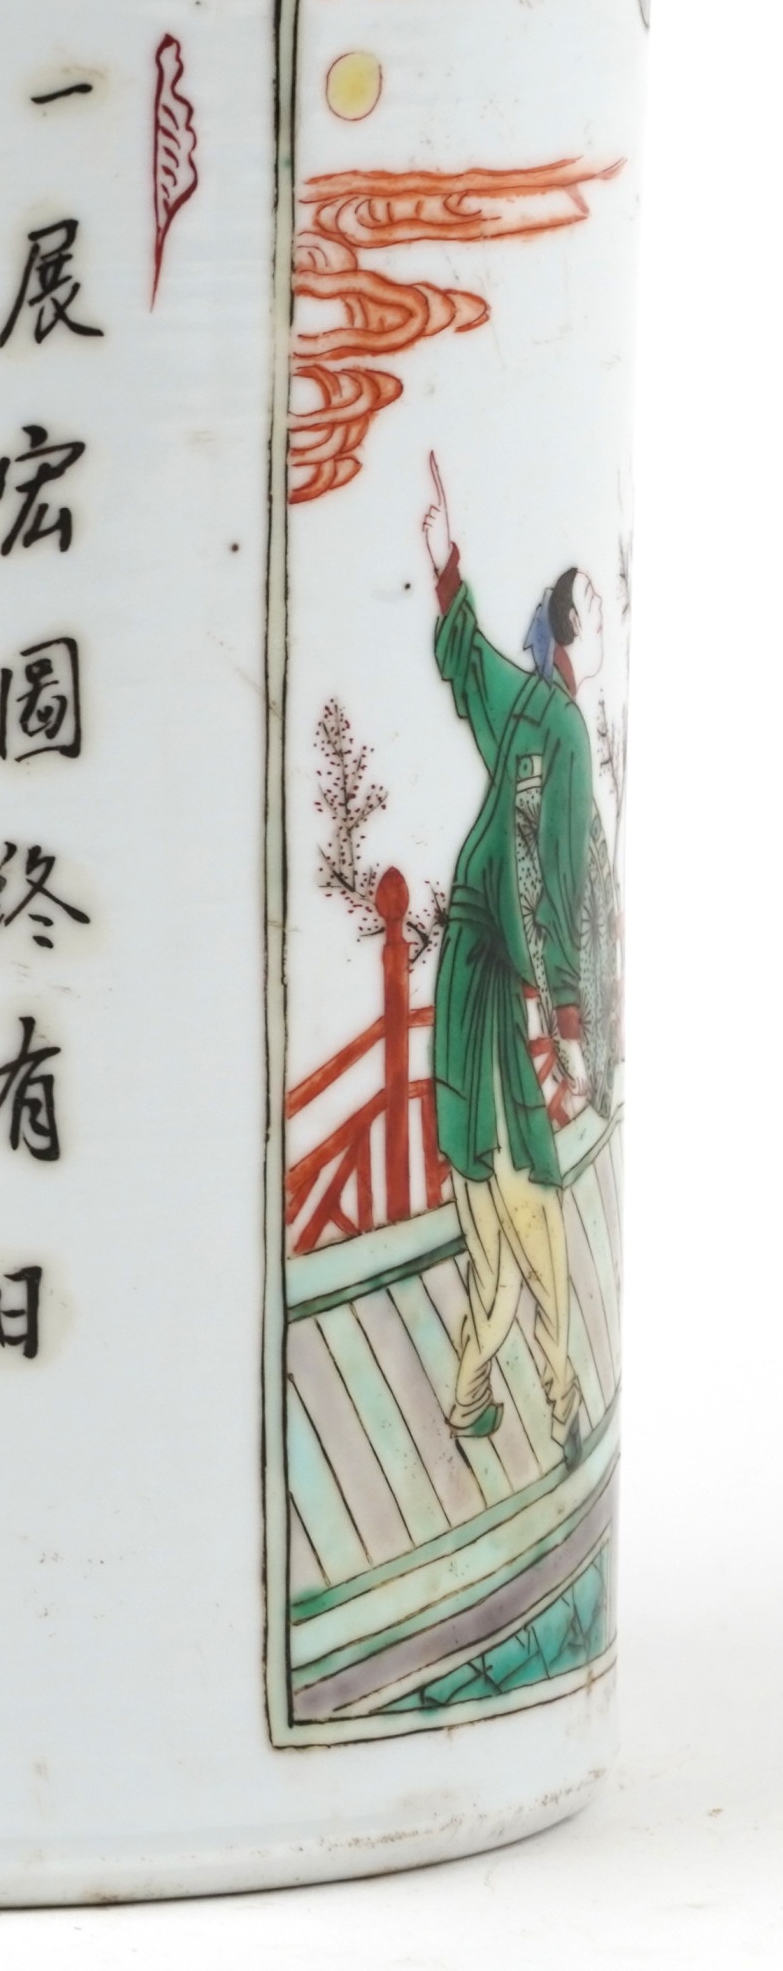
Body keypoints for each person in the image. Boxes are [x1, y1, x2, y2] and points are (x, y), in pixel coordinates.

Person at [421, 456, 606, 1469]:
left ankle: (475, 1395)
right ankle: (560, 1399)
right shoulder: (563, 729)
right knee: (526, 1199)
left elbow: (465, 664)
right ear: (573, 639)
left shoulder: (529, 707)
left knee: (489, 1215)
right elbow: (553, 890)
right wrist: (568, 1030)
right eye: (597, 615)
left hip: (463, 980)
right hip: (498, 989)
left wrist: (446, 566)